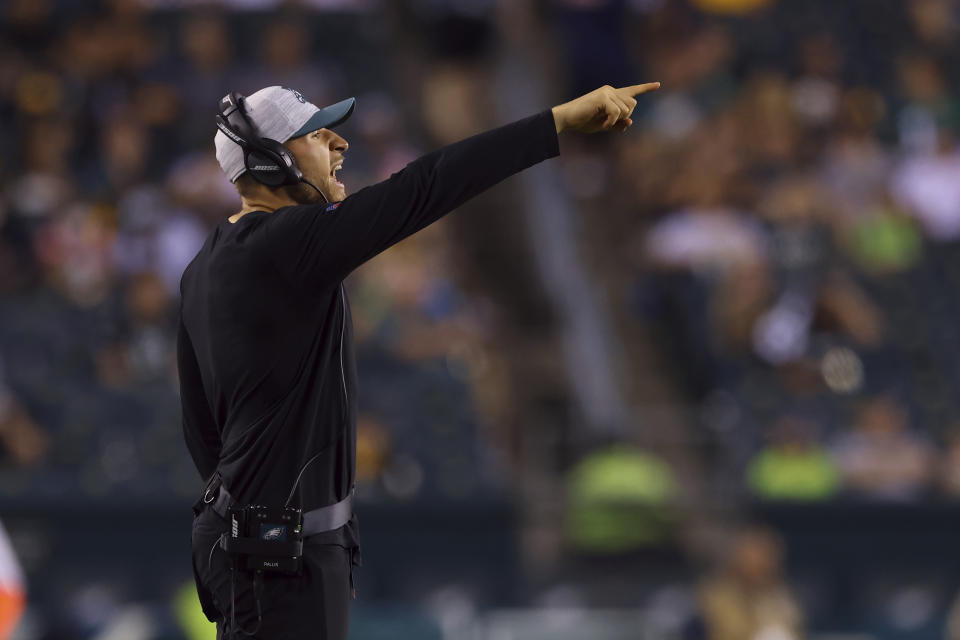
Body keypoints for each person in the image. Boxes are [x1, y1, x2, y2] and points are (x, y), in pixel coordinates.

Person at [178, 81, 660, 639]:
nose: (339, 144)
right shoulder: (286, 245)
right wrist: (556, 121)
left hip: (255, 544)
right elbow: (424, 187)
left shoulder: (204, 264)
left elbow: (200, 431)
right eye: (316, 135)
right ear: (270, 160)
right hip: (280, 556)